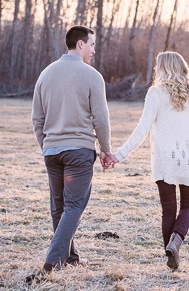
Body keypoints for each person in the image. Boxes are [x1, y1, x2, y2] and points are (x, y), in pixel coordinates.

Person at [105, 51, 189, 271]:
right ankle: (176, 243)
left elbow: (141, 130)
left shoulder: (155, 93)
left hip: (165, 162)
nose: (155, 70)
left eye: (157, 66)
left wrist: (119, 155)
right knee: (188, 207)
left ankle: (170, 255)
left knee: (168, 210)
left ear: (164, 68)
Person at [28, 25, 113, 283]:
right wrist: (106, 149)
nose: (94, 50)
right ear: (79, 45)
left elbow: (36, 118)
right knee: (74, 206)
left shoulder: (46, 73)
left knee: (60, 207)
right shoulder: (92, 76)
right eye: (92, 45)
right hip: (78, 152)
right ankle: (53, 262)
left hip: (52, 152)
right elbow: (101, 118)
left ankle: (71, 257)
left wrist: (47, 145)